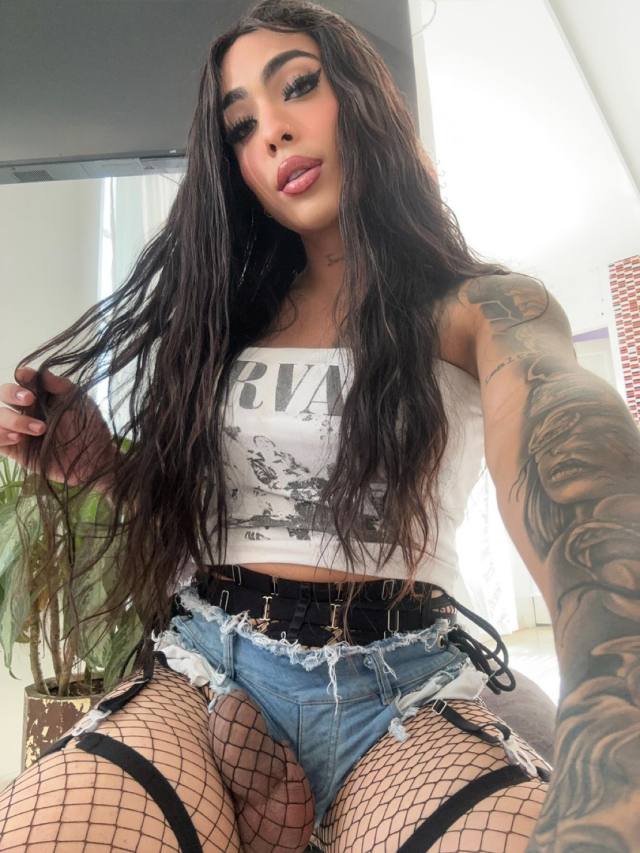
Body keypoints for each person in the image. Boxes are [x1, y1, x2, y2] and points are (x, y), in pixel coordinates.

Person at [2, 1, 638, 851]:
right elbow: (219, 506)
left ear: (363, 98)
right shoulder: (229, 325)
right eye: (241, 127)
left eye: (298, 86)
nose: (271, 132)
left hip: (398, 688)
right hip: (210, 670)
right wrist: (106, 467)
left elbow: (579, 472)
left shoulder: (483, 308)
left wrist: (612, 735)